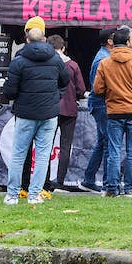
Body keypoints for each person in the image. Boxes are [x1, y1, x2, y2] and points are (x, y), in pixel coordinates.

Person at [0, 16, 71, 205]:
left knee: (19, 154)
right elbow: (66, 81)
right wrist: (56, 96)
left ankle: (12, 195)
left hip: (25, 113)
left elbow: (10, 90)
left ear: (27, 39)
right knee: (43, 156)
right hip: (49, 114)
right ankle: (35, 194)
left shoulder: (19, 60)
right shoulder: (56, 59)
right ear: (44, 39)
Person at [92, 27, 132, 197]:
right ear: (128, 42)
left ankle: (111, 188)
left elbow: (97, 89)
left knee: (114, 150)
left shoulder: (105, 63)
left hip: (114, 112)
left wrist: (111, 96)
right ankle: (129, 188)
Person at [50, 34, 87, 193]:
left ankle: (44, 180)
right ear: (63, 47)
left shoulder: (48, 64)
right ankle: (60, 180)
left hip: (50, 108)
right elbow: (81, 90)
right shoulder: (73, 65)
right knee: (65, 146)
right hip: (70, 109)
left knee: (47, 145)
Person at [81, 29, 115, 193]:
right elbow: (98, 87)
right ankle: (108, 183)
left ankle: (88, 179)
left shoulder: (102, 56)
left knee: (102, 142)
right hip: (101, 103)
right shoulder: (103, 59)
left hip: (99, 103)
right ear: (110, 41)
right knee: (108, 142)